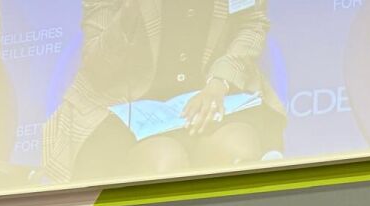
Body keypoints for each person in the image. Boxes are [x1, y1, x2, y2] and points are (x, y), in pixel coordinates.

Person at [44, 0, 287, 183]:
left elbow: (251, 24)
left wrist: (219, 83)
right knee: (165, 162)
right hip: (131, 106)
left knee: (238, 148)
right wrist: (128, 13)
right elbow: (98, 67)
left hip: (215, 90)